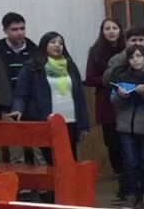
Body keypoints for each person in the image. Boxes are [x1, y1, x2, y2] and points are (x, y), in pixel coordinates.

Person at [12, 31, 90, 163]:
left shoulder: (70, 66)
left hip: (70, 119)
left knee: (70, 160)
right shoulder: (33, 67)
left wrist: (84, 124)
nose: (57, 46)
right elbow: (21, 93)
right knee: (50, 160)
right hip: (46, 119)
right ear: (44, 45)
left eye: (60, 43)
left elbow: (80, 96)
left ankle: (68, 184)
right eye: (53, 42)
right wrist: (18, 109)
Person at [110, 44, 144, 209]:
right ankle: (132, 194)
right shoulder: (122, 77)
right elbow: (114, 100)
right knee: (130, 162)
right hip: (125, 125)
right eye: (132, 57)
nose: (135, 60)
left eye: (139, 56)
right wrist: (120, 95)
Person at [0, 13, 38, 154]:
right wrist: (2, 93)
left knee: (39, 148)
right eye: (14, 29)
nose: (19, 33)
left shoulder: (34, 50)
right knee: (16, 149)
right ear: (5, 31)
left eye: (22, 28)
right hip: (8, 106)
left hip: (33, 104)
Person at [85, 18, 126, 202]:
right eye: (107, 28)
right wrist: (109, 81)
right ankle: (121, 182)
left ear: (120, 30)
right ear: (102, 31)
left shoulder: (128, 49)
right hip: (106, 103)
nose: (111, 31)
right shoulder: (96, 51)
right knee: (113, 145)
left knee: (130, 144)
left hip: (127, 101)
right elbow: (90, 78)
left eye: (115, 28)